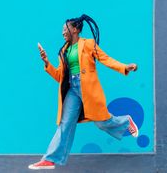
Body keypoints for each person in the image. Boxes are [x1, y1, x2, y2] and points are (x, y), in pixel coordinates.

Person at [28, 14, 138, 170]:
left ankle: (126, 121)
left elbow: (106, 59)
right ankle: (50, 159)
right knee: (65, 124)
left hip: (88, 88)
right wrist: (46, 63)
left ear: (75, 29)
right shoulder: (63, 51)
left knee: (102, 123)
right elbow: (60, 76)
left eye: (65, 29)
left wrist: (124, 67)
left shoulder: (88, 44)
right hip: (72, 89)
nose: (62, 33)